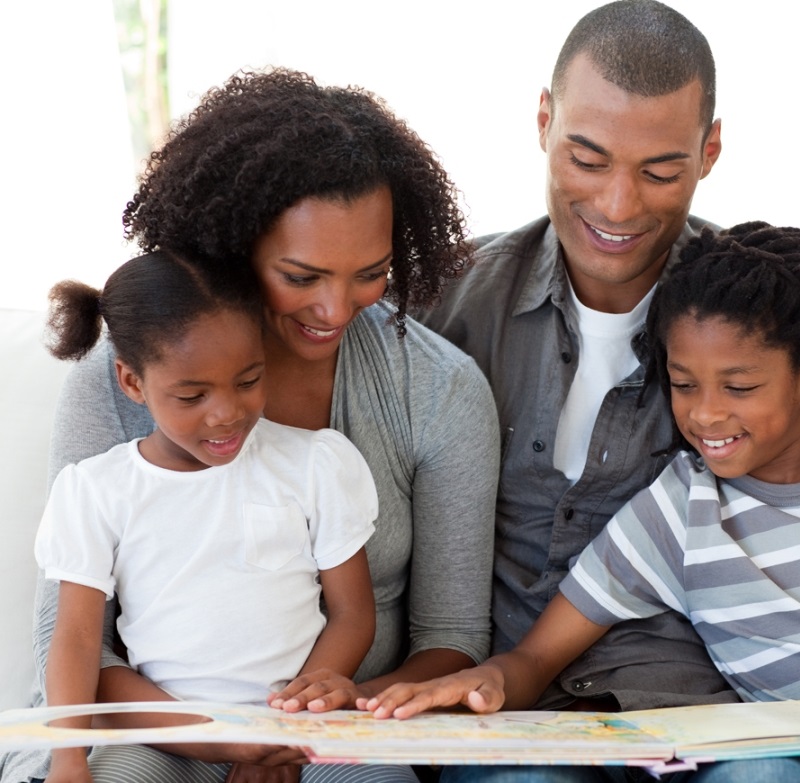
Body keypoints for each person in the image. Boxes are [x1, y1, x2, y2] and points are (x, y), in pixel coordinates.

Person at [406, 2, 800, 781]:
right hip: (521, 724)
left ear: (709, 149)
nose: (618, 205)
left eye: (660, 169)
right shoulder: (447, 304)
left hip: (719, 731)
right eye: (587, 158)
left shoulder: (777, 315)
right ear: (543, 122)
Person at [367, 222, 800, 783]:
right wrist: (484, 682)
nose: (707, 414)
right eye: (683, 384)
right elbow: (538, 655)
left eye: (739, 387)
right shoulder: (678, 512)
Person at [0, 69, 499, 783]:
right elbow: (78, 639)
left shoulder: (437, 391)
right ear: (234, 246)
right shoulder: (119, 381)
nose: (335, 308)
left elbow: (450, 637)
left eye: (370, 272)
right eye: (301, 276)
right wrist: (218, 738)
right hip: (141, 730)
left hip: (335, 730)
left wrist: (317, 715)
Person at [36, 250, 409, 783]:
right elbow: (74, 641)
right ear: (132, 383)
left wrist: (288, 726)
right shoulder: (96, 491)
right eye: (192, 395)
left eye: (248, 379)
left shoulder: (314, 463)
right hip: (167, 741)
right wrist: (68, 759)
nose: (227, 412)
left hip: (302, 736)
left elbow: (353, 614)